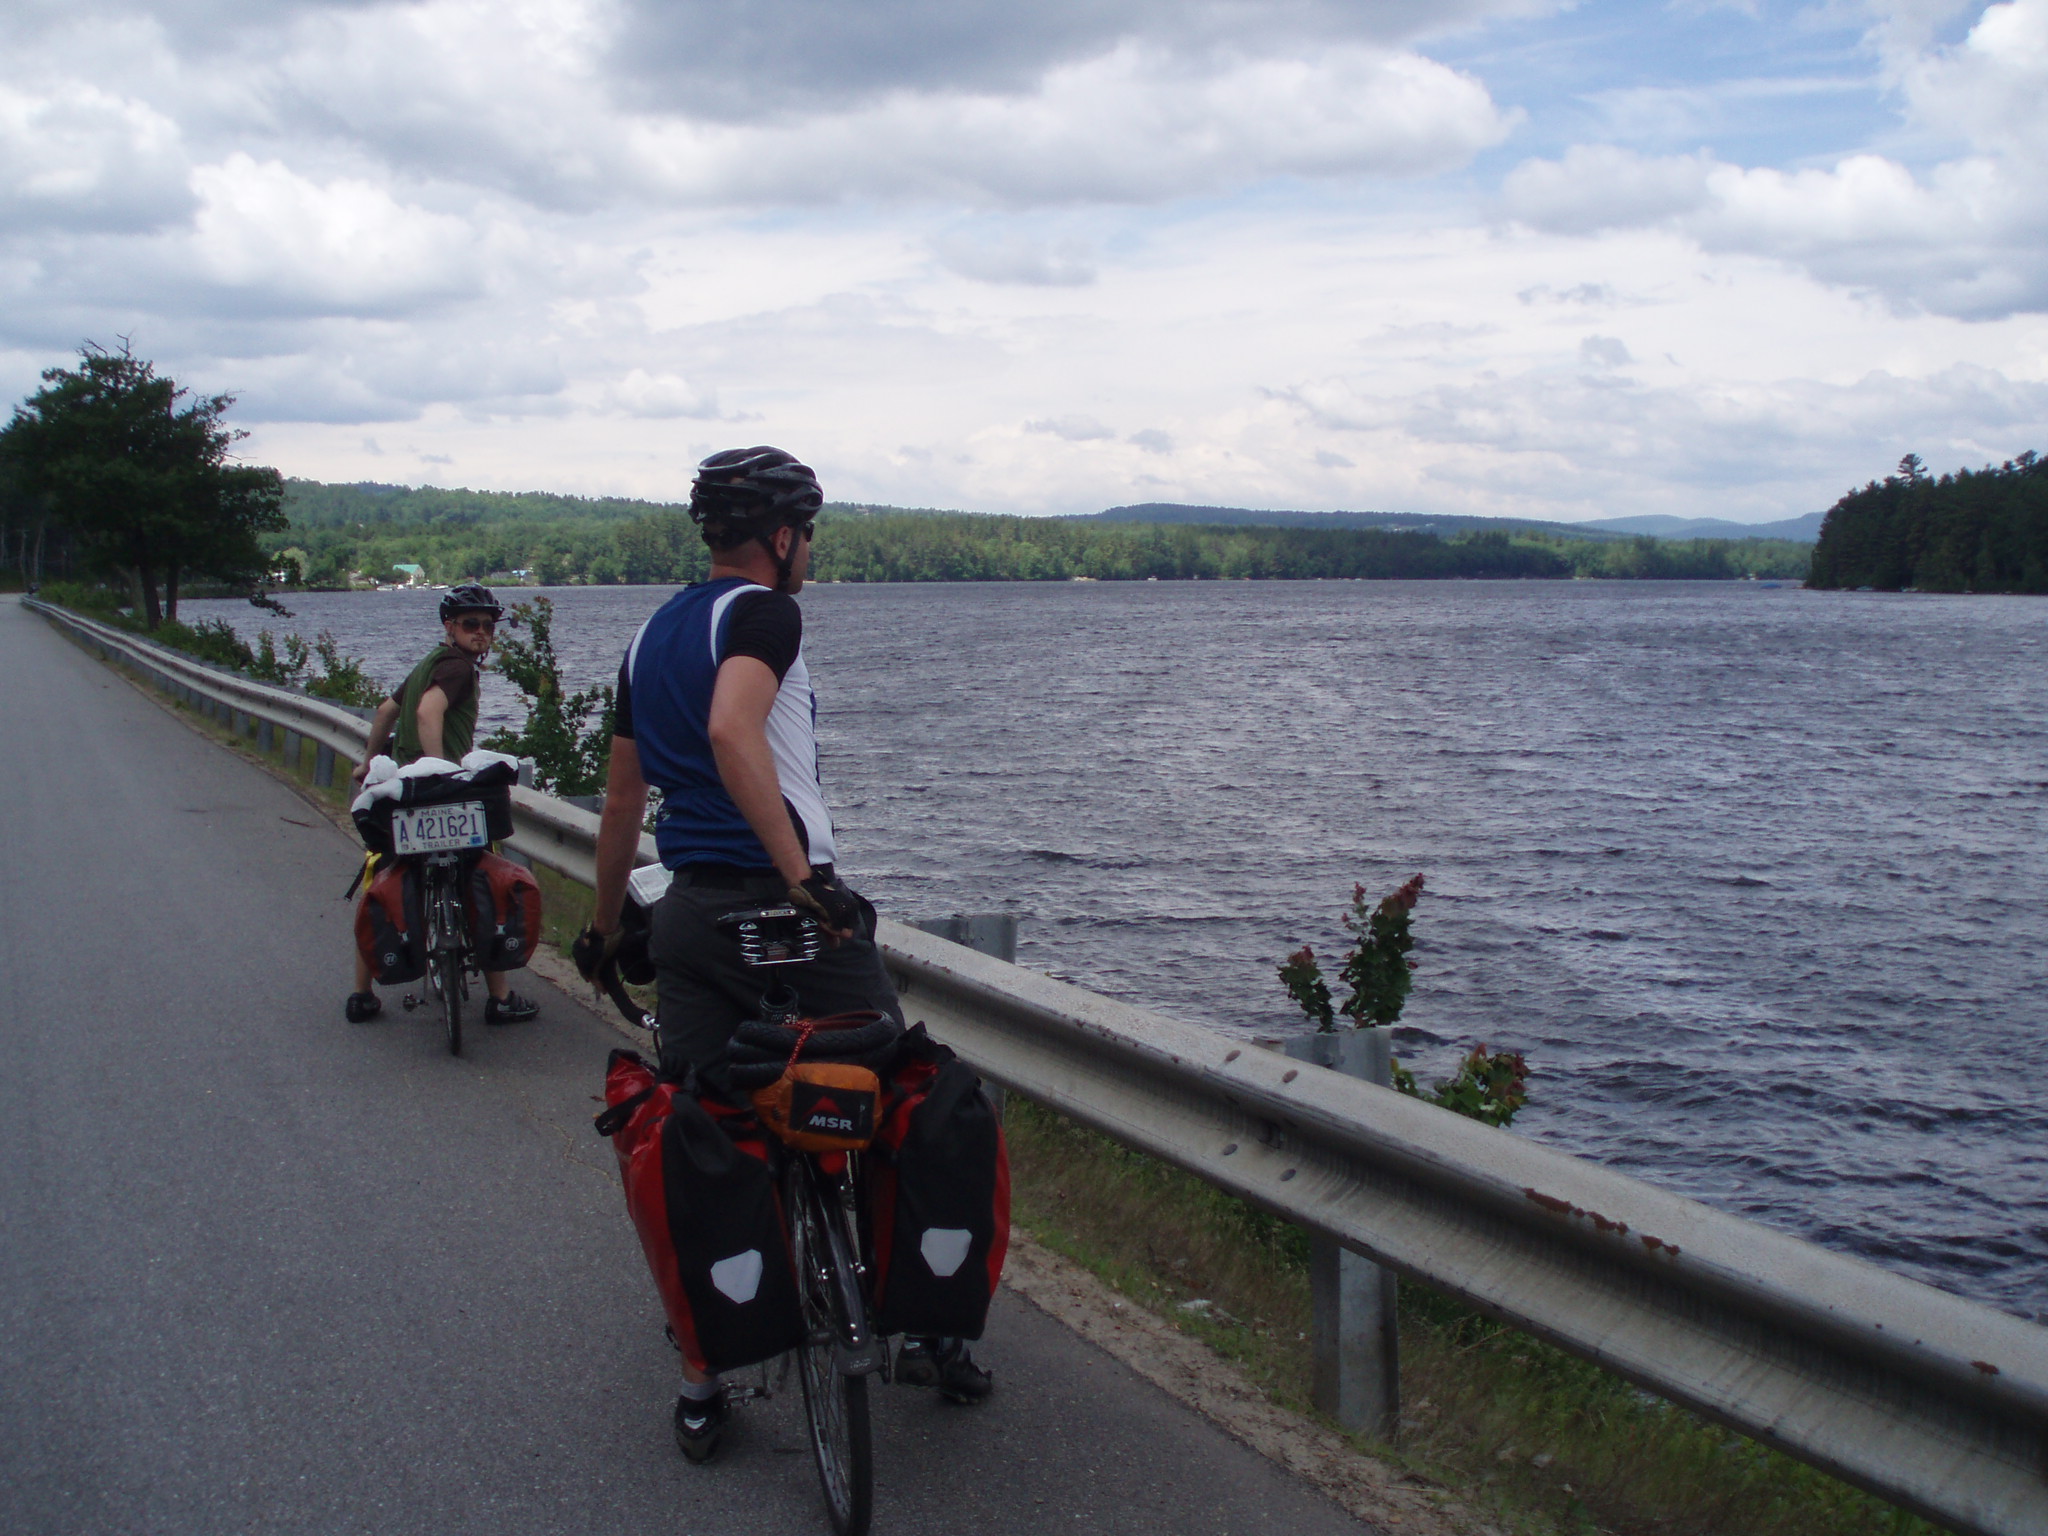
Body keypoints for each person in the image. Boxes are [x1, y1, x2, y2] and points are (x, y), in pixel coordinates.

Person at [575, 446, 990, 1463]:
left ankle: (702, 1375)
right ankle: (933, 1328)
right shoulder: (766, 612)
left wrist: (601, 927)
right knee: (900, 1089)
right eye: (809, 537)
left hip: (692, 916)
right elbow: (731, 730)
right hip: (792, 911)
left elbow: (624, 799)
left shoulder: (647, 633)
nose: (810, 555)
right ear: (781, 537)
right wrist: (801, 874)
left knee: (699, 1125)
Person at [343, 583, 541, 1026]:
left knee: (384, 877)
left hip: (402, 795)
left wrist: (367, 763)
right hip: (441, 791)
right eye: (470, 624)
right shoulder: (456, 667)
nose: (481, 633)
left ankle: (361, 995)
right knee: (480, 876)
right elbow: (427, 713)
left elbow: (383, 712)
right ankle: (501, 997)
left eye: (488, 626)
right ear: (449, 626)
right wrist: (440, 772)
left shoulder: (427, 664)